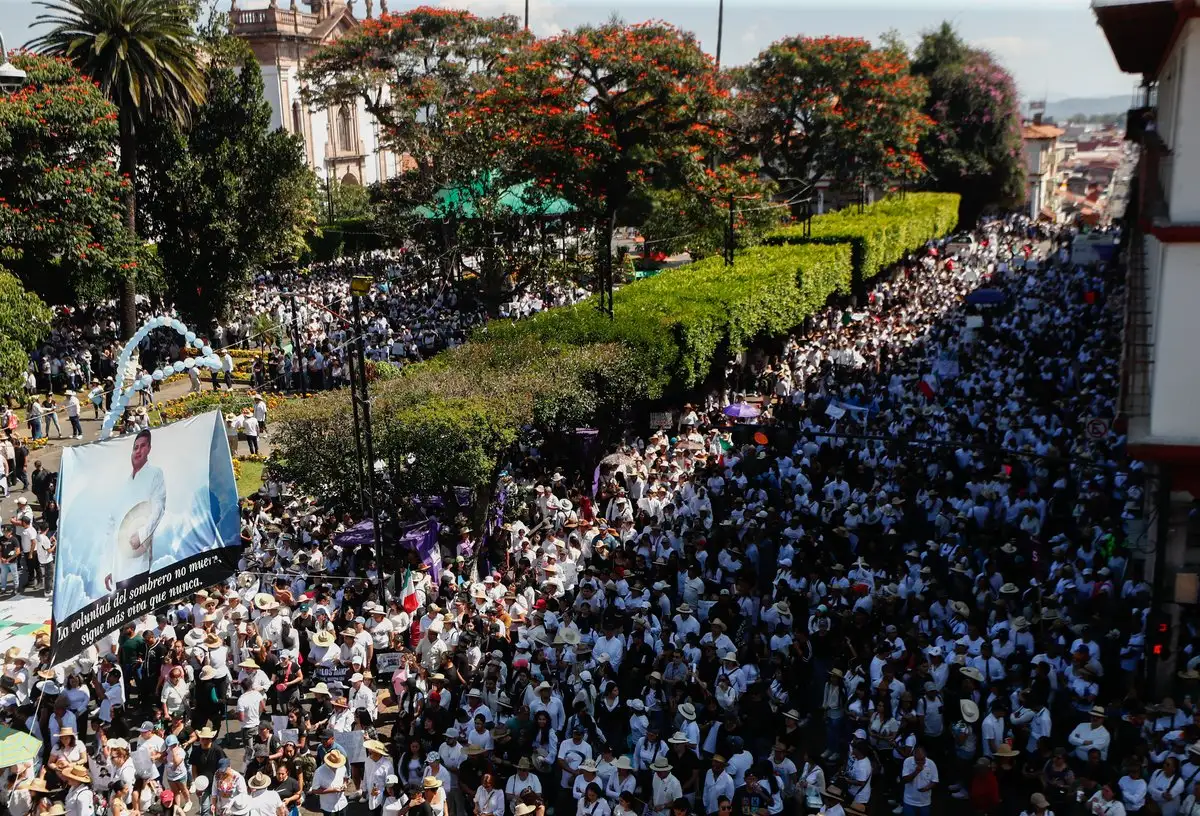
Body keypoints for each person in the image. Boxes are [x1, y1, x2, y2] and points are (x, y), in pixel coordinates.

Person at [105, 428, 165, 591]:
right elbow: (112, 525)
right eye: (135, 447)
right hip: (120, 567)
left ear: (149, 449)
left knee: (138, 611)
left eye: (142, 446)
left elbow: (158, 509)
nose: (138, 451)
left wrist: (141, 534)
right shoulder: (123, 483)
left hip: (141, 563)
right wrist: (110, 566)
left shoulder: (154, 474)